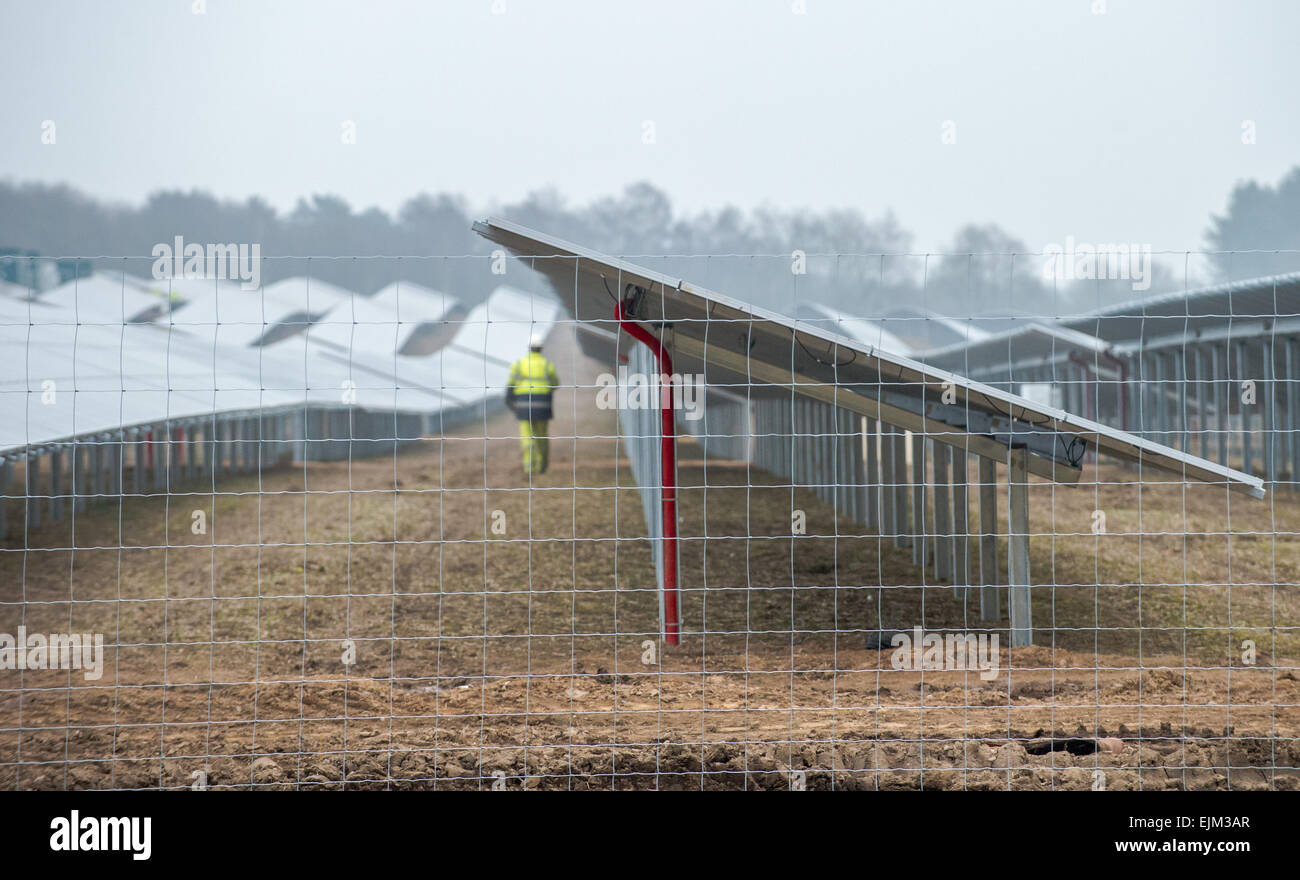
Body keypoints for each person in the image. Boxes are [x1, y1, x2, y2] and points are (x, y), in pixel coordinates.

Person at [506, 332, 559, 475]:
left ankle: (529, 467)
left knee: (527, 437)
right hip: (543, 406)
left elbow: (510, 385)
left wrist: (511, 402)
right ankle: (543, 466)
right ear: (541, 348)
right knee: (542, 436)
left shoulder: (519, 364)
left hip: (523, 406)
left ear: (528, 348)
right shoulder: (548, 365)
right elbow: (555, 384)